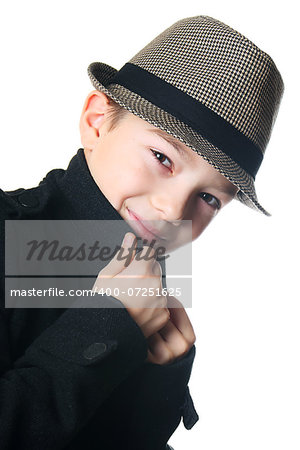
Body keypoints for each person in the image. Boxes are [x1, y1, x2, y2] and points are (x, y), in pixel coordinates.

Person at [0, 15, 284, 450]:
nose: (173, 210)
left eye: (209, 198)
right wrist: (109, 326)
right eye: (162, 158)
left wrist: (157, 388)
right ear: (97, 121)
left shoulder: (152, 290)